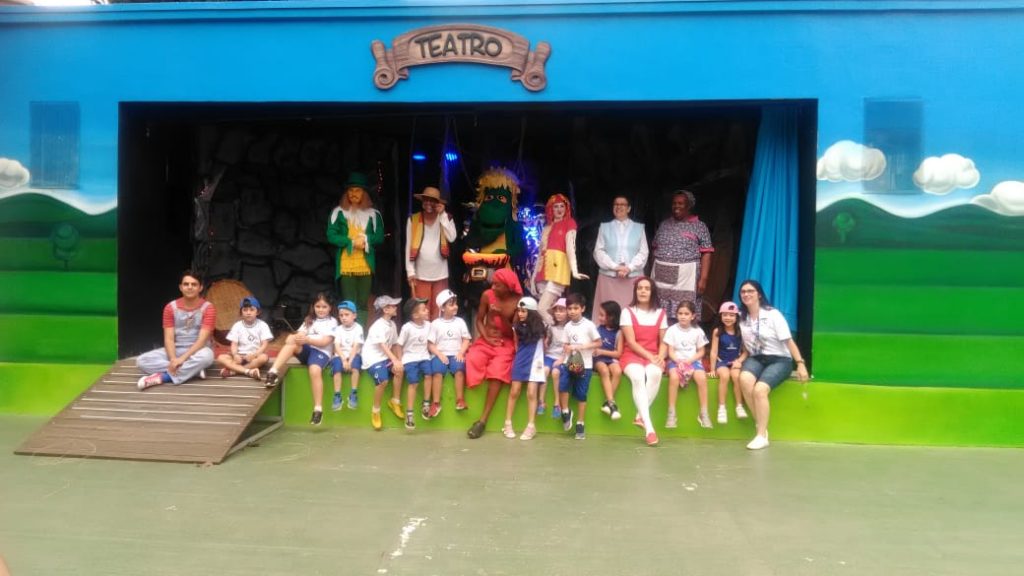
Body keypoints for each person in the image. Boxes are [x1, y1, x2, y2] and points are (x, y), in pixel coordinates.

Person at [737, 279, 809, 450]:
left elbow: (788, 341)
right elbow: (747, 344)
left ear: (759, 295)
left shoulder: (773, 314)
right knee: (744, 379)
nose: (746, 294)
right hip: (757, 357)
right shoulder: (742, 318)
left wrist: (800, 363)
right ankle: (761, 426)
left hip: (779, 359)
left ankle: (761, 436)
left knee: (760, 390)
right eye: (743, 292)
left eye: (750, 291)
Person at [465, 268, 523, 439]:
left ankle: (482, 421)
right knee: (472, 358)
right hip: (486, 340)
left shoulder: (518, 301)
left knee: (497, 374)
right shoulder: (487, 295)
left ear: (508, 287)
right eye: (494, 284)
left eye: (498, 285)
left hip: (506, 343)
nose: (493, 287)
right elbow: (479, 320)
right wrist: (486, 338)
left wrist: (500, 315)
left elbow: (515, 330)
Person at [263, 292, 337, 425]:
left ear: (330, 308)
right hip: (307, 350)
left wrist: (307, 339)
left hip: (321, 352)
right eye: (318, 306)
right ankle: (273, 372)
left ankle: (318, 409)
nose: (320, 309)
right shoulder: (309, 320)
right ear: (313, 306)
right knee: (291, 341)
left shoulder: (332, 322)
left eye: (324, 307)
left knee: (314, 370)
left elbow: (325, 342)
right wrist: (294, 337)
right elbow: (299, 334)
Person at [137, 270, 216, 391]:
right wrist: (173, 359)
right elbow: (169, 339)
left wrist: (182, 359)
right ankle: (194, 371)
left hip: (199, 350)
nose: (190, 287)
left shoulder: (208, 308)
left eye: (194, 284)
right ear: (180, 287)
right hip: (177, 348)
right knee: (142, 361)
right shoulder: (170, 307)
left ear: (200, 288)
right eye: (186, 284)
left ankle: (164, 377)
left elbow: (202, 341)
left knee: (207, 356)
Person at [327, 171, 385, 326]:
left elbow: (380, 236)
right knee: (348, 303)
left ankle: (361, 335)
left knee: (362, 304)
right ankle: (348, 334)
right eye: (351, 190)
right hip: (346, 264)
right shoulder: (338, 213)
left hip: (365, 265)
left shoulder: (374, 214)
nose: (353, 194)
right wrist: (351, 242)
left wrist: (366, 239)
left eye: (357, 190)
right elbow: (331, 235)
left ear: (364, 193)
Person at [650, 190, 713, 321]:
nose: (676, 206)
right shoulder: (664, 224)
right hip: (661, 277)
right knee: (659, 312)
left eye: (680, 203)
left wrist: (703, 278)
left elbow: (706, 252)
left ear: (689, 206)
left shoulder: (700, 226)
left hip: (686, 278)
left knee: (685, 310)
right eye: (674, 203)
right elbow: (654, 248)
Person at [620, 277, 668, 446]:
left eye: (647, 288)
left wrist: (660, 356)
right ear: (635, 291)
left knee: (655, 373)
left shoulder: (661, 313)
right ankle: (649, 429)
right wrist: (651, 357)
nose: (643, 291)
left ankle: (639, 416)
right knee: (638, 376)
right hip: (631, 355)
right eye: (640, 288)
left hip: (653, 355)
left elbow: (664, 341)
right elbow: (631, 342)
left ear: (652, 292)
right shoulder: (627, 312)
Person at [532, 193, 589, 324]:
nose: (559, 209)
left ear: (566, 208)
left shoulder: (569, 223)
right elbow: (540, 253)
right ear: (551, 209)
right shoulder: (546, 227)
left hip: (558, 269)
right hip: (542, 269)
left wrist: (574, 270)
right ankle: (552, 333)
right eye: (555, 206)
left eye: (562, 206)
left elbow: (570, 248)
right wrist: (533, 277)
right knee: (549, 310)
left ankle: (557, 330)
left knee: (541, 309)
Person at [592, 195, 649, 321]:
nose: (619, 207)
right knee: (608, 314)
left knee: (632, 313)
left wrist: (629, 268)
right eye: (616, 204)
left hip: (633, 279)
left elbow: (643, 252)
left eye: (622, 204)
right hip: (609, 279)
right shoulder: (604, 227)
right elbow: (598, 251)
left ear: (629, 208)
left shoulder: (639, 228)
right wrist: (615, 267)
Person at [405, 186, 458, 319]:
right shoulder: (413, 219)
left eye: (432, 200)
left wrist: (443, 215)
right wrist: (410, 271)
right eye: (426, 200)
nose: (428, 203)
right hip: (420, 274)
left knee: (439, 311)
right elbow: (408, 246)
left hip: (440, 273)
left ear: (438, 203)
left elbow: (452, 237)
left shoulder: (446, 218)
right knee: (422, 311)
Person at [558, 293, 601, 440]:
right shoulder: (567, 326)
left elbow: (598, 342)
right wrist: (567, 348)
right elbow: (565, 344)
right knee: (562, 386)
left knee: (581, 395)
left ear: (582, 308)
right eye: (569, 308)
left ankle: (580, 423)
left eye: (575, 308)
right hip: (568, 362)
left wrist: (582, 346)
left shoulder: (589, 325)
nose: (572, 311)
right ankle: (565, 412)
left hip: (585, 365)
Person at [504, 296, 547, 441]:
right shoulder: (516, 327)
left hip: (536, 362)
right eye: (519, 311)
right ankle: (507, 423)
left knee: (531, 393)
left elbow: (545, 346)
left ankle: (531, 426)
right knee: (514, 391)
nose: (520, 313)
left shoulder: (543, 326)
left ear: (531, 312)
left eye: (524, 311)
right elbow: (516, 344)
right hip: (521, 360)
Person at [664, 301, 711, 429]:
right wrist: (679, 362)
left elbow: (701, 351)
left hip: (693, 361)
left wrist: (689, 361)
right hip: (675, 361)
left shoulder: (698, 331)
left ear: (693, 316)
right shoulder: (671, 330)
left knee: (701, 378)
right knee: (674, 378)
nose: (683, 316)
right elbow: (670, 351)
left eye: (686, 314)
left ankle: (704, 413)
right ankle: (671, 413)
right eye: (680, 313)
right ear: (676, 314)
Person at [427, 289, 471, 415]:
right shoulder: (435, 324)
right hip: (440, 354)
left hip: (456, 353)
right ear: (442, 308)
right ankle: (436, 403)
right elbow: (430, 344)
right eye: (451, 305)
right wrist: (439, 354)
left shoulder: (460, 322)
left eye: (455, 304)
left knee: (459, 370)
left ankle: (460, 400)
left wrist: (461, 352)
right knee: (437, 373)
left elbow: (466, 339)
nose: (455, 306)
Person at [363, 295, 403, 431]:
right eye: (393, 306)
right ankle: (375, 411)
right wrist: (394, 360)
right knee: (383, 381)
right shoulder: (378, 326)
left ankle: (395, 401)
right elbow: (383, 346)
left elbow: (395, 344)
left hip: (385, 357)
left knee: (400, 370)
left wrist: (399, 360)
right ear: (385, 310)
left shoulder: (392, 324)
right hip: (373, 359)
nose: (396, 307)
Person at [709, 301, 748, 423]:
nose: (728, 318)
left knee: (736, 376)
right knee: (724, 376)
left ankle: (739, 406)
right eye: (725, 315)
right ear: (720, 316)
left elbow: (746, 352)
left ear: (736, 317)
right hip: (722, 362)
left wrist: (739, 361)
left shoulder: (741, 332)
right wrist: (712, 369)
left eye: (731, 315)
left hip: (735, 362)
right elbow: (714, 351)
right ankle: (722, 408)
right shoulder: (717, 331)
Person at [396, 298, 432, 430]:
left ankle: (426, 404)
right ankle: (409, 413)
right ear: (415, 315)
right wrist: (399, 361)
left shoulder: (429, 325)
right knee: (414, 383)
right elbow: (399, 345)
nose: (427, 311)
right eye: (424, 310)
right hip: (410, 359)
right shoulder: (407, 328)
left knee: (429, 375)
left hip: (424, 357)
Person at [217, 296, 273, 380]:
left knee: (263, 358)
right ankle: (249, 371)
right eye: (245, 310)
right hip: (239, 357)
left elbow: (264, 344)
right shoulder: (237, 325)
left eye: (252, 310)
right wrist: (235, 355)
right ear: (241, 312)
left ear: (257, 312)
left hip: (254, 357)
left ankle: (234, 371)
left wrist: (254, 355)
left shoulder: (262, 325)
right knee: (221, 358)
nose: (248, 313)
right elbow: (234, 344)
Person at [330, 300, 364, 411]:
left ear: (354, 315)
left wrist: (350, 361)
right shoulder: (338, 329)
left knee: (355, 369)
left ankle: (353, 393)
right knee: (337, 370)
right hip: (340, 355)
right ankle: (337, 396)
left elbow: (355, 346)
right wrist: (344, 360)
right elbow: (337, 345)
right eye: (341, 315)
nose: (343, 317)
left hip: (354, 354)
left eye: (347, 314)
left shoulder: (358, 328)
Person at [593, 300, 623, 421]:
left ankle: (607, 402)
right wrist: (598, 352)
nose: (599, 317)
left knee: (617, 371)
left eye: (602, 315)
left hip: (611, 358)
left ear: (611, 317)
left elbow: (618, 353)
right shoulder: (597, 329)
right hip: (598, 359)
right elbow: (594, 348)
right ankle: (612, 403)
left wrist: (602, 351)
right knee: (604, 371)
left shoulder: (619, 333)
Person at [541, 297, 569, 418]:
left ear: (567, 312)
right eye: (556, 310)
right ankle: (541, 402)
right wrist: (545, 342)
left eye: (561, 310)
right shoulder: (550, 327)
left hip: (562, 357)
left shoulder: (570, 328)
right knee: (544, 371)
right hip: (549, 355)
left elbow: (569, 348)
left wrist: (562, 359)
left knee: (555, 373)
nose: (558, 313)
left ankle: (557, 403)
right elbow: (547, 343)